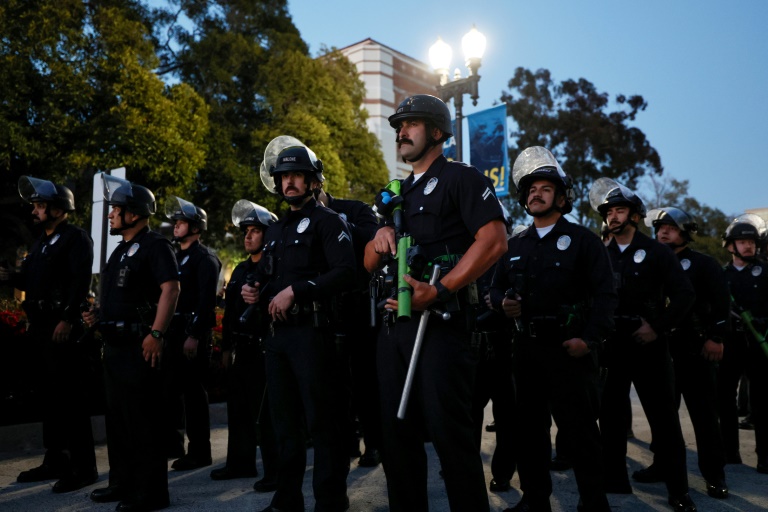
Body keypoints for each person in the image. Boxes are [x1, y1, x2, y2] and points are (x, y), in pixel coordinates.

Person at [364, 94, 507, 512]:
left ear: (438, 132)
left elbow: (494, 241)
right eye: (397, 126)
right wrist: (378, 239)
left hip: (441, 328)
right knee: (395, 443)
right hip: (393, 330)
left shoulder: (462, 179)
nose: (401, 132)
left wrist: (441, 290)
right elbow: (367, 263)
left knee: (452, 442)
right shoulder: (395, 196)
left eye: (411, 124)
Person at [489, 147, 616, 512]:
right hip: (526, 351)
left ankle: (594, 502)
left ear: (561, 197)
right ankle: (535, 500)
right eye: (530, 189)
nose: (536, 193)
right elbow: (495, 289)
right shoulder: (514, 245)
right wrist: (501, 303)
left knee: (581, 435)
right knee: (530, 433)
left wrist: (589, 340)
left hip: (570, 350)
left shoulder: (584, 241)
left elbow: (606, 296)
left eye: (545, 188)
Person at [242, 140, 356, 512]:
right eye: (284, 176)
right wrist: (253, 288)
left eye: (297, 176)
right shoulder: (274, 231)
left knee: (324, 424)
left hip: (315, 335)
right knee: (284, 425)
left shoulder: (328, 221)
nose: (289, 182)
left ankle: (330, 501)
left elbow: (346, 272)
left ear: (312, 181)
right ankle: (286, 499)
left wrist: (298, 290)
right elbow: (266, 276)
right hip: (278, 339)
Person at [589, 177, 696, 512]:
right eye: (610, 212)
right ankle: (615, 480)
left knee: (664, 420)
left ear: (634, 215)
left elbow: (684, 296)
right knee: (611, 416)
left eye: (621, 210)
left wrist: (659, 326)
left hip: (649, 347)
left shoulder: (657, 252)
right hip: (611, 347)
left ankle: (679, 491)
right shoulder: (598, 254)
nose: (615, 217)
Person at [84, 174, 179, 512]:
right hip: (115, 346)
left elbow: (171, 288)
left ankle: (150, 494)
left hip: (140, 346)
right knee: (119, 421)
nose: (110, 215)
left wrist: (156, 333)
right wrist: (98, 315)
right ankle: (122, 483)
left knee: (143, 422)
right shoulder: (121, 250)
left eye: (117, 210)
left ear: (135, 214)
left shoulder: (155, 245)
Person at [0, 176, 97, 493]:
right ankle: (55, 459)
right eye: (36, 206)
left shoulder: (76, 239)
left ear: (59, 209)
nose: (35, 211)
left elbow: (79, 283)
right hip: (41, 328)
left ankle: (83, 468)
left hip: (62, 327)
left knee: (72, 399)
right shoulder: (40, 243)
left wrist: (68, 319)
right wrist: (10, 276)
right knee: (50, 398)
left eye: (41, 205)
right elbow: (30, 281)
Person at [631, 207, 729, 499]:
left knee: (704, 417)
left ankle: (715, 476)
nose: (663, 232)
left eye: (671, 228)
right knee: (662, 417)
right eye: (660, 227)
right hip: (659, 352)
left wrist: (716, 338)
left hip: (695, 351)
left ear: (685, 233)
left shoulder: (704, 264)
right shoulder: (649, 262)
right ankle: (662, 466)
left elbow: (722, 305)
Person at [210, 200, 278, 493]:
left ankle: (275, 472)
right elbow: (231, 312)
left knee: (267, 414)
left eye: (254, 231)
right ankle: (240, 462)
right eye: (245, 231)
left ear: (267, 234)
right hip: (241, 350)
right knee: (237, 410)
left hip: (265, 350)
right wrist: (226, 349)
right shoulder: (238, 270)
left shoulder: (273, 267)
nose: (248, 236)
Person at [315, 186, 383, 467]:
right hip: (326, 309)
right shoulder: (303, 219)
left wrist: (335, 220)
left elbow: (371, 240)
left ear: (318, 185)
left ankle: (374, 444)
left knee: (365, 379)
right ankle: (347, 442)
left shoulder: (356, 209)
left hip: (359, 305)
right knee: (333, 381)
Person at [162, 196, 222, 471]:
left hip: (191, 332)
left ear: (196, 227)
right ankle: (173, 444)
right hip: (172, 332)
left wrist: (195, 334)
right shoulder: (175, 255)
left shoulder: (204, 258)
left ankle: (200, 452)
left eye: (182, 222)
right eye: (175, 221)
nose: (176, 225)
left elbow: (205, 301)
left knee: (194, 394)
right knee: (170, 389)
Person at [719, 213, 768, 474]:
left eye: (751, 242)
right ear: (730, 245)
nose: (748, 246)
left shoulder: (765, 270)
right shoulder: (720, 274)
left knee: (761, 401)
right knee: (725, 399)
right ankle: (730, 452)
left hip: (758, 343)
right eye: (742, 242)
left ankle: (765, 456)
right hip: (729, 343)